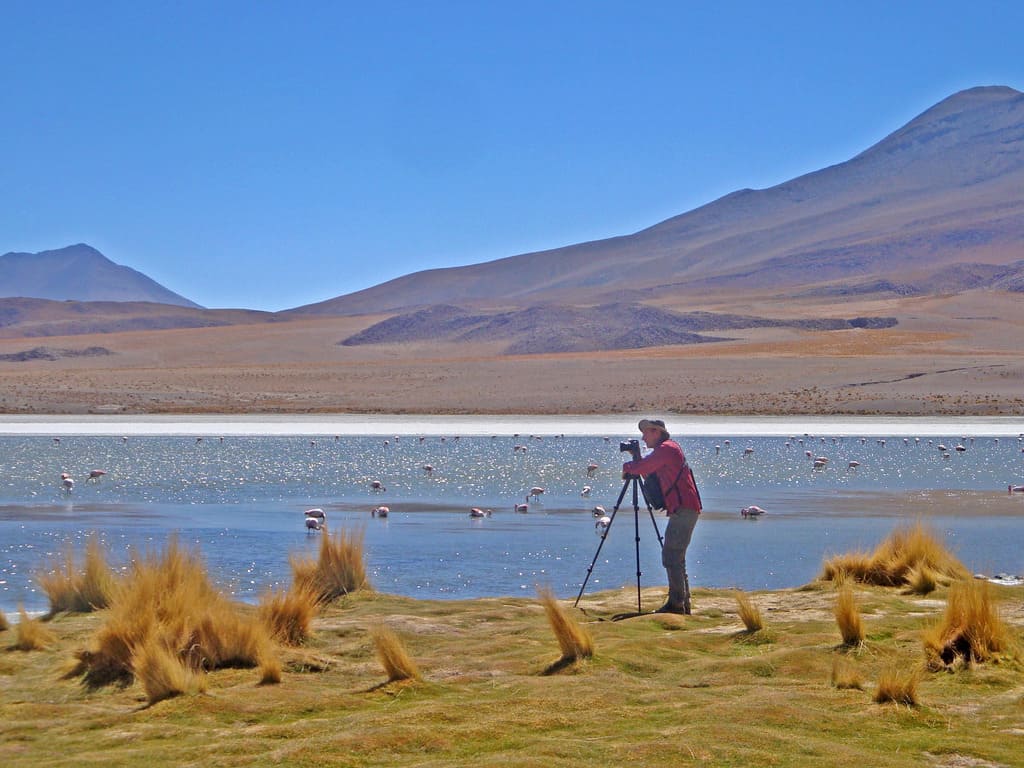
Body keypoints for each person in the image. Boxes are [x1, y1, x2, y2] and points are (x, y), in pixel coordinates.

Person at [621, 418, 702, 615]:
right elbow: (651, 475)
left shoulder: (667, 449)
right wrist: (637, 458)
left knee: (671, 555)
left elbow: (642, 469)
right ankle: (682, 604)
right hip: (684, 508)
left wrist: (628, 467)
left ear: (656, 432)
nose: (643, 437)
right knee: (676, 556)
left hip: (684, 508)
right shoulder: (667, 449)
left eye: (646, 433)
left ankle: (676, 605)